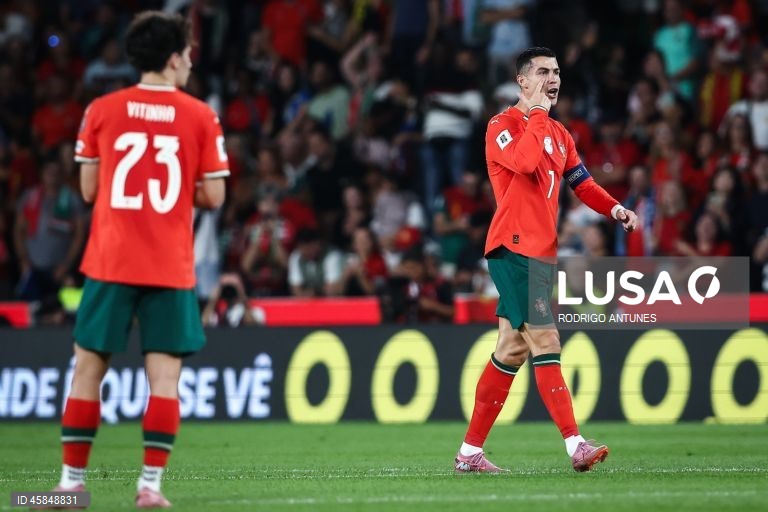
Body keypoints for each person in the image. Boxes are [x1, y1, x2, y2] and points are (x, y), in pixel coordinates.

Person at [54, 11, 228, 508]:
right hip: (168, 265)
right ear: (173, 59)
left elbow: (89, 189)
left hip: (110, 261)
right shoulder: (200, 115)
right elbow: (214, 196)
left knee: (87, 370)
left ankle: (69, 487)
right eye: (189, 54)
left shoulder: (101, 109)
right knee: (165, 380)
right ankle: (149, 488)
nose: (192, 63)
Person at [454, 47, 637, 474]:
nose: (552, 78)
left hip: (540, 255)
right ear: (522, 80)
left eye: (556, 72)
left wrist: (615, 209)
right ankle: (575, 444)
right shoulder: (501, 126)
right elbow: (524, 160)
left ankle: (468, 453)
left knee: (512, 348)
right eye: (542, 72)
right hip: (512, 248)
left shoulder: (560, 133)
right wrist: (536, 113)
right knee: (547, 340)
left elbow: (583, 183)